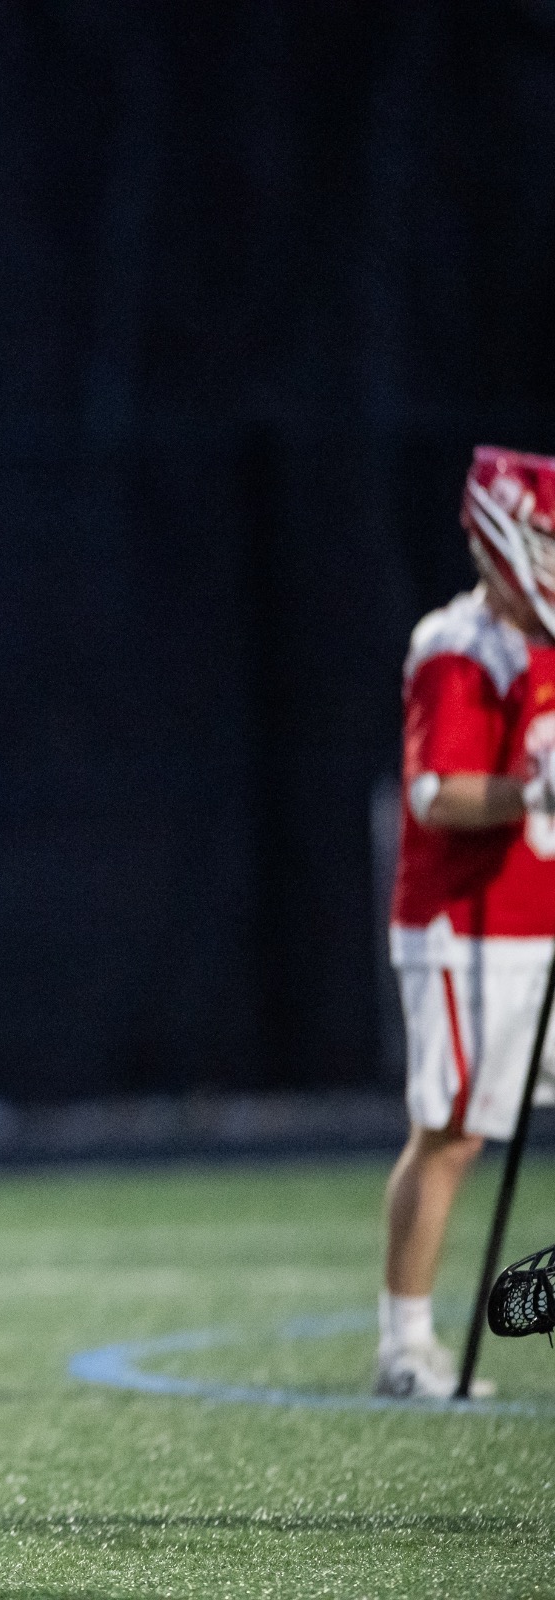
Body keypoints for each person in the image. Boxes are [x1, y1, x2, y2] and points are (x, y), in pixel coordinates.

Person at [379, 445, 555, 1399]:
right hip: (467, 924)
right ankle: (404, 1343)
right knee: (451, 1131)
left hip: (542, 914)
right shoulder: (460, 647)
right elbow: (439, 793)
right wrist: (536, 791)